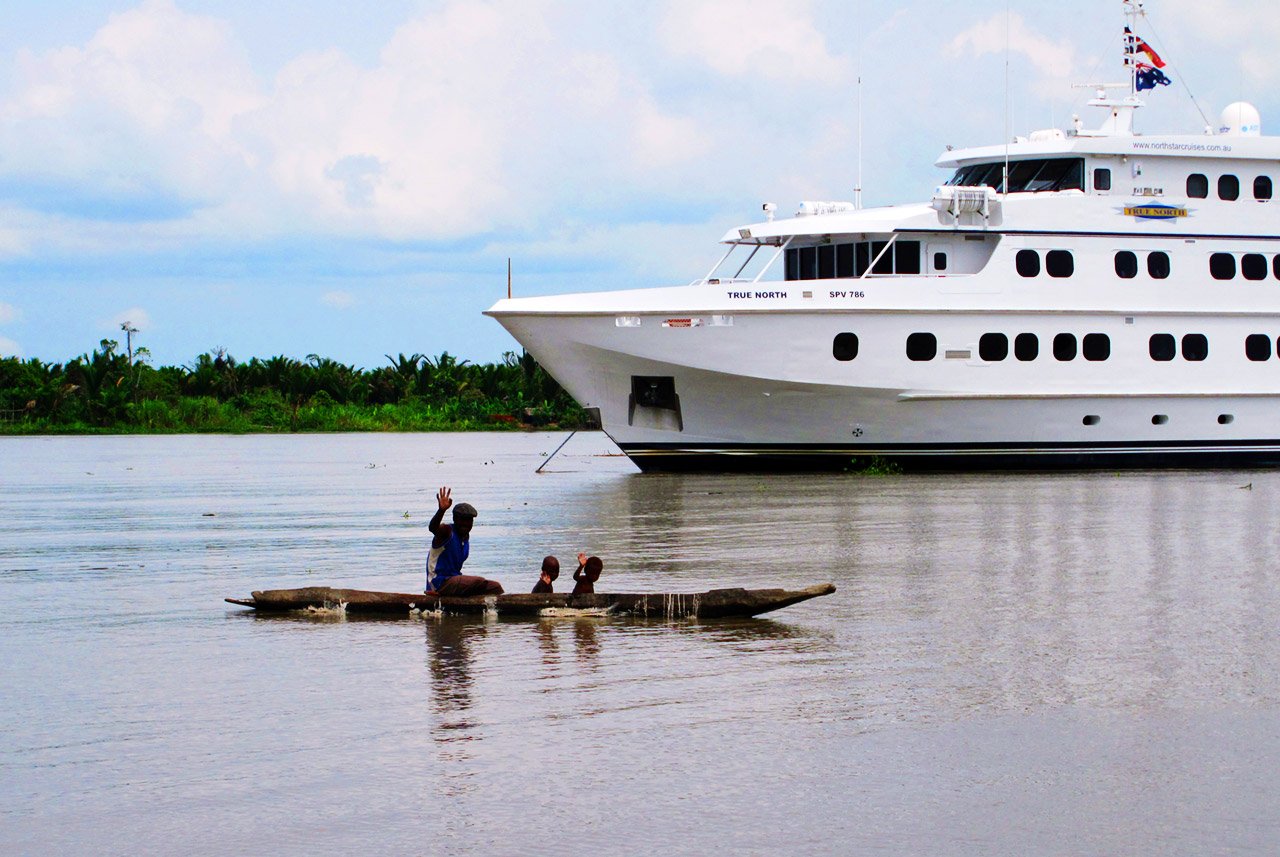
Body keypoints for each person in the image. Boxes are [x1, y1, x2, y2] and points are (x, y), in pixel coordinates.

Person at [426, 486, 503, 596]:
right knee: (478, 581)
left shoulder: (465, 539)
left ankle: (483, 609)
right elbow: (433, 528)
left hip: (455, 581)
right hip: (439, 584)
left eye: (469, 520)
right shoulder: (447, 532)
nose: (465, 524)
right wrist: (441, 510)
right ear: (455, 519)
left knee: (495, 587)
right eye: (462, 520)